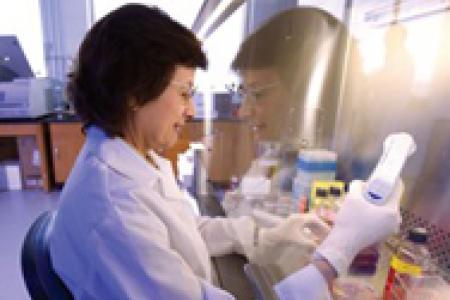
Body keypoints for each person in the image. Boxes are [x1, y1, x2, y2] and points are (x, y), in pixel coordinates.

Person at [49, 4, 403, 300]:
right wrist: (337, 251)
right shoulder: (114, 209)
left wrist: (265, 238)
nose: (190, 110)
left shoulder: (137, 156)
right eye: (185, 92)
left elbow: (187, 232)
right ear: (134, 95)